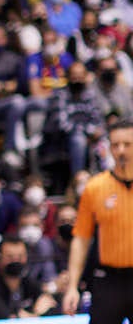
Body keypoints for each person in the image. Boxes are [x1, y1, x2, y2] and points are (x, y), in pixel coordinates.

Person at [63, 118, 133, 321]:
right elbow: (81, 239)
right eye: (115, 145)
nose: (121, 151)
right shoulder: (95, 187)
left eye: (127, 144)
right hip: (108, 279)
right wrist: (72, 286)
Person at [0, 236, 57, 319]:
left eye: (20, 256)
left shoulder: (25, 280)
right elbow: (6, 320)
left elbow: (46, 300)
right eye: (10, 257)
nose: (15, 260)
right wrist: (36, 313)